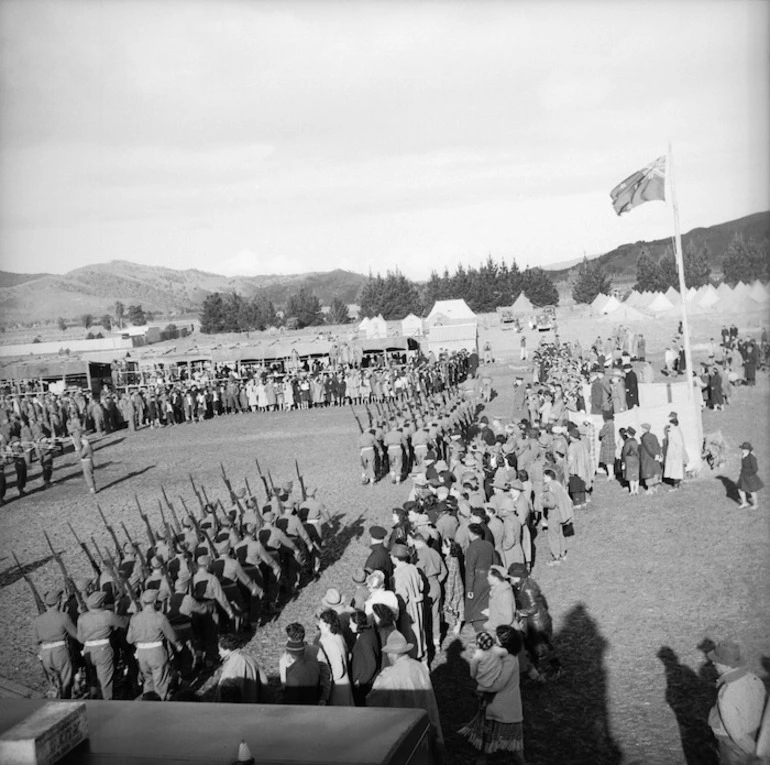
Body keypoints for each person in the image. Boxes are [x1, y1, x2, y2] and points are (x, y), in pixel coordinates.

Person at [367, 631, 444, 757]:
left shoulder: (389, 676)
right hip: (425, 727)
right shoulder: (420, 667)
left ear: (393, 654)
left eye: (388, 654)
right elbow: (431, 700)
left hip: (403, 734)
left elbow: (373, 703)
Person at [458, 625, 526, 765]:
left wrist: (482, 689)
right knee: (510, 742)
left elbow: (498, 684)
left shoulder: (509, 660)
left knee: (490, 738)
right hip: (506, 706)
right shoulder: (507, 656)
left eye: (497, 637)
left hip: (500, 706)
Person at [707, 640, 767, 764]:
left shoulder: (727, 693)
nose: (713, 663)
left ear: (725, 664)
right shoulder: (754, 679)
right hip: (755, 734)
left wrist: (754, 752)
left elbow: (737, 734)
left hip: (734, 746)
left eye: (716, 661)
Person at [126, 588, 182, 701]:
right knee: (160, 682)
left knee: (148, 680)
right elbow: (171, 636)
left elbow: (129, 639)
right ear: (155, 602)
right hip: (157, 653)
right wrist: (178, 645)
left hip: (141, 654)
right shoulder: (159, 617)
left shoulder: (135, 618)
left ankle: (147, 706)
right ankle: (159, 708)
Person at [77, 591, 125, 700]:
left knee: (93, 679)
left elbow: (80, 639)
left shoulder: (82, 617)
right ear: (102, 604)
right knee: (105, 682)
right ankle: (105, 705)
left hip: (88, 650)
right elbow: (123, 623)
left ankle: (93, 698)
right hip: (103, 650)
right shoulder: (107, 615)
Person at [33, 589, 79, 698]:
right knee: (66, 682)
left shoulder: (38, 619)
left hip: (45, 654)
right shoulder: (63, 616)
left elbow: (35, 641)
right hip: (60, 652)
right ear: (59, 602)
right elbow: (76, 635)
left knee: (54, 682)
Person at [390, 543, 427, 661]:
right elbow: (421, 586)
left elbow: (401, 598)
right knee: (420, 632)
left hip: (408, 611)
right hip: (418, 607)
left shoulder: (398, 574)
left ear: (395, 558)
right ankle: (425, 660)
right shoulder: (413, 568)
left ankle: (413, 659)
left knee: (410, 636)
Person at [214, 633, 268, 703]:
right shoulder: (247, 657)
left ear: (227, 649)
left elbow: (228, 692)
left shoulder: (234, 664)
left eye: (220, 649)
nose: (219, 652)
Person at [316, 609, 355, 706]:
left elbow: (338, 668)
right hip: (344, 683)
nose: (319, 625)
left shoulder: (329, 641)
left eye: (321, 623)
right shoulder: (338, 635)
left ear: (328, 625)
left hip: (338, 688)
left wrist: (329, 683)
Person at [464, 524, 497, 633]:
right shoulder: (489, 545)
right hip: (489, 576)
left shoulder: (472, 548)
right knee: (487, 601)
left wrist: (469, 589)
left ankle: (479, 624)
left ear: (472, 534)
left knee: (476, 603)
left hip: (477, 578)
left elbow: (470, 570)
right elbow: (495, 562)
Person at [541, 468, 574, 567]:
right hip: (561, 513)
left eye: (544, 477)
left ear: (548, 477)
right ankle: (563, 553)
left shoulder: (549, 487)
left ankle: (556, 556)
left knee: (553, 536)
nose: (543, 479)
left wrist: (542, 501)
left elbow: (551, 504)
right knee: (560, 534)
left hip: (553, 514)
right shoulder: (558, 484)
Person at [349, 610, 381, 706]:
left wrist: (361, 680)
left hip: (365, 683)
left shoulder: (364, 638)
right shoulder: (368, 633)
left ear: (357, 623)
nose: (349, 626)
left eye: (351, 623)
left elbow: (372, 663)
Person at [482, 565, 517, 633]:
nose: (487, 578)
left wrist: (488, 625)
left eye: (489, 576)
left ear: (495, 578)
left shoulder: (504, 594)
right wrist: (491, 612)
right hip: (500, 631)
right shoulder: (498, 591)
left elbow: (507, 619)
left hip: (505, 633)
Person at [663, 411, 687, 490]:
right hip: (673, 452)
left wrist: (676, 453)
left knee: (675, 469)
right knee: (674, 468)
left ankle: (676, 485)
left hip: (675, 453)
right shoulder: (672, 430)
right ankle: (677, 483)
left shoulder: (675, 431)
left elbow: (679, 443)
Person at [736, 442, 763, 509]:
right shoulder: (743, 455)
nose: (742, 450)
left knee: (752, 490)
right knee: (740, 489)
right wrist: (740, 471)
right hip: (743, 475)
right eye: (742, 449)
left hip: (750, 476)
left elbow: (755, 468)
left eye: (744, 449)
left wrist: (749, 474)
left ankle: (755, 505)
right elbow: (743, 465)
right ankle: (744, 503)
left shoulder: (751, 457)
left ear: (748, 450)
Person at [639, 423, 662, 494]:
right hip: (654, 457)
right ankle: (655, 487)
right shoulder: (653, 436)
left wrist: (653, 455)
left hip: (648, 457)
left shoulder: (645, 437)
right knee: (654, 472)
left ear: (645, 429)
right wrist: (658, 455)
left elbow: (648, 448)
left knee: (648, 472)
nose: (641, 429)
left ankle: (650, 489)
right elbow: (658, 445)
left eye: (642, 428)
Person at [621, 426, 641, 495]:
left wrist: (623, 460)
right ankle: (637, 490)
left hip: (629, 459)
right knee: (636, 475)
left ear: (627, 433)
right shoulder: (635, 440)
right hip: (636, 459)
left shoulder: (627, 441)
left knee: (630, 476)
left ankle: (632, 490)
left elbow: (625, 451)